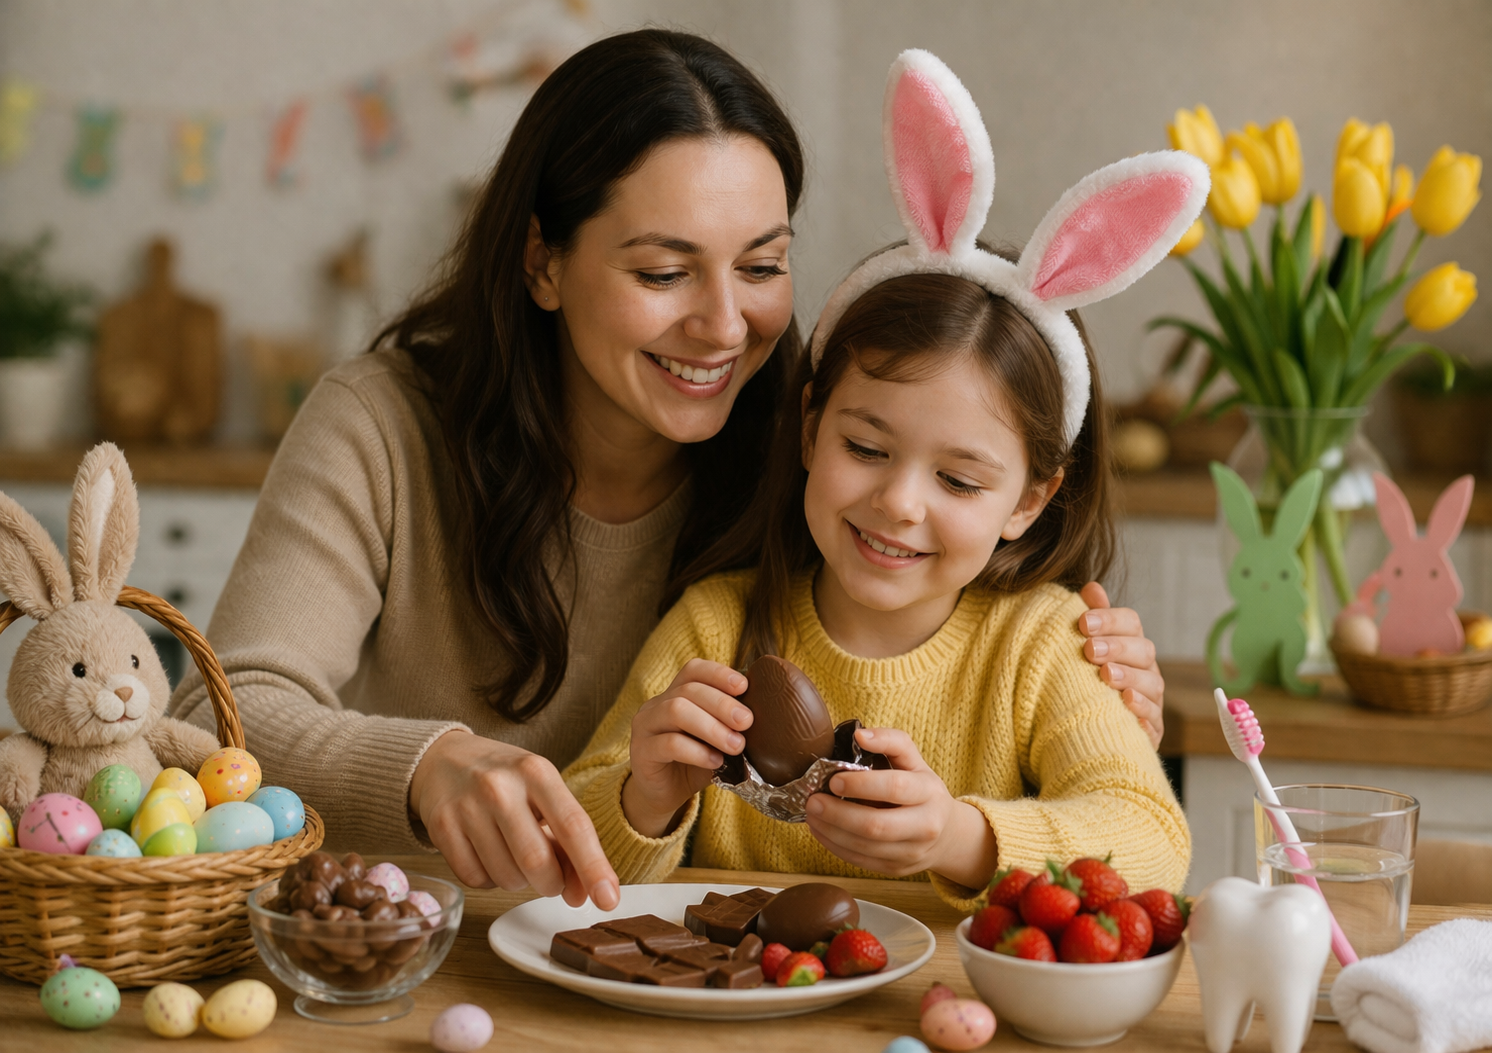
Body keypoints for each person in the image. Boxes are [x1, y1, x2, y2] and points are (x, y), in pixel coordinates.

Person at [169, 33, 1166, 910]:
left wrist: (1088, 695)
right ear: (542, 263)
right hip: (389, 940)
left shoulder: (822, 453)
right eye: (662, 271)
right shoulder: (384, 425)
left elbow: (1102, 803)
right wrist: (426, 766)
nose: (725, 325)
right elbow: (215, 719)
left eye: (762, 265)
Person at [564, 51, 1207, 902]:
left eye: (960, 481)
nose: (899, 503)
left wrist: (960, 835)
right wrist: (643, 794)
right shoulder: (715, 626)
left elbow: (1155, 839)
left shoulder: (1043, 646)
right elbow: (572, 842)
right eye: (865, 449)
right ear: (808, 428)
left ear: (1031, 499)